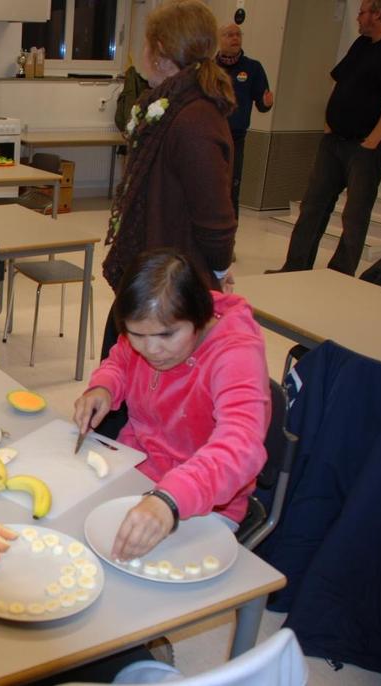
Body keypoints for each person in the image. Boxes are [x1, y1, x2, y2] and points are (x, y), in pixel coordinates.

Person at [73, 249, 270, 561]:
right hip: (136, 468)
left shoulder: (235, 354)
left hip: (202, 500)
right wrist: (104, 387)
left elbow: (241, 446)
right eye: (137, 335)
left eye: (167, 335)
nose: (152, 349)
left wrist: (170, 498)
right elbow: (121, 361)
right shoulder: (147, 330)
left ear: (199, 316)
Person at [101, 0, 236, 357]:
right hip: (150, 274)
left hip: (172, 289)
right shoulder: (165, 106)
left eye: (146, 44)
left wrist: (220, 272)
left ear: (159, 52)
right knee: (119, 372)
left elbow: (216, 218)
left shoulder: (195, 119)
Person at [271, 0, 381, 276]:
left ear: (378, 13)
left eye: (362, 12)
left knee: (355, 214)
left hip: (367, 146)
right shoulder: (362, 44)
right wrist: (329, 123)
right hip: (335, 140)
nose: (358, 18)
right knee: (313, 205)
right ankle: (295, 267)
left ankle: (339, 275)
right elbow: (340, 81)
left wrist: (372, 141)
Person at [216, 23, 273, 219]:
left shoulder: (253, 68)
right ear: (219, 39)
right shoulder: (209, 68)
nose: (235, 38)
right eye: (229, 35)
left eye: (238, 34)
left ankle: (228, 239)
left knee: (232, 188)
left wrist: (266, 103)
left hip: (235, 139)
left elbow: (262, 103)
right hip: (210, 137)